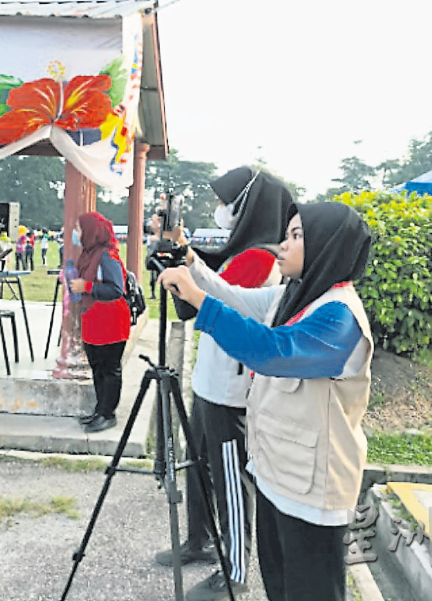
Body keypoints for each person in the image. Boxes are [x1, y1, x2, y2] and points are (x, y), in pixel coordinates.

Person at [159, 201, 373, 601]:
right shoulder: (292, 296)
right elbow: (234, 297)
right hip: (277, 477)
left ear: (326, 245)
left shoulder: (339, 317)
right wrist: (191, 264)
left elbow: (272, 352)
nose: (282, 246)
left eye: (296, 236)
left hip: (313, 493)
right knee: (280, 587)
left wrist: (200, 303)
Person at [153, 167, 295, 601]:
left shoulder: (261, 256)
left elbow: (222, 300)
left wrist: (189, 268)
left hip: (231, 392)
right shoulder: (242, 251)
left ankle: (236, 568)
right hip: (210, 380)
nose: (220, 210)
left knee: (231, 479)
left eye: (226, 202)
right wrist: (186, 257)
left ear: (248, 206)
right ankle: (199, 540)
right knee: (199, 465)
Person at [68, 212, 131, 433]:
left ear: (91, 231)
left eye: (79, 229)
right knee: (97, 367)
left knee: (109, 369)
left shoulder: (107, 256)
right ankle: (99, 409)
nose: (76, 234)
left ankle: (108, 414)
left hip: (111, 321)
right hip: (93, 319)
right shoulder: (88, 254)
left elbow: (116, 289)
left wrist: (85, 287)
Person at [146, 213, 161, 299]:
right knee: (153, 277)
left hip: (157, 257)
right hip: (154, 258)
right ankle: (153, 293)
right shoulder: (151, 238)